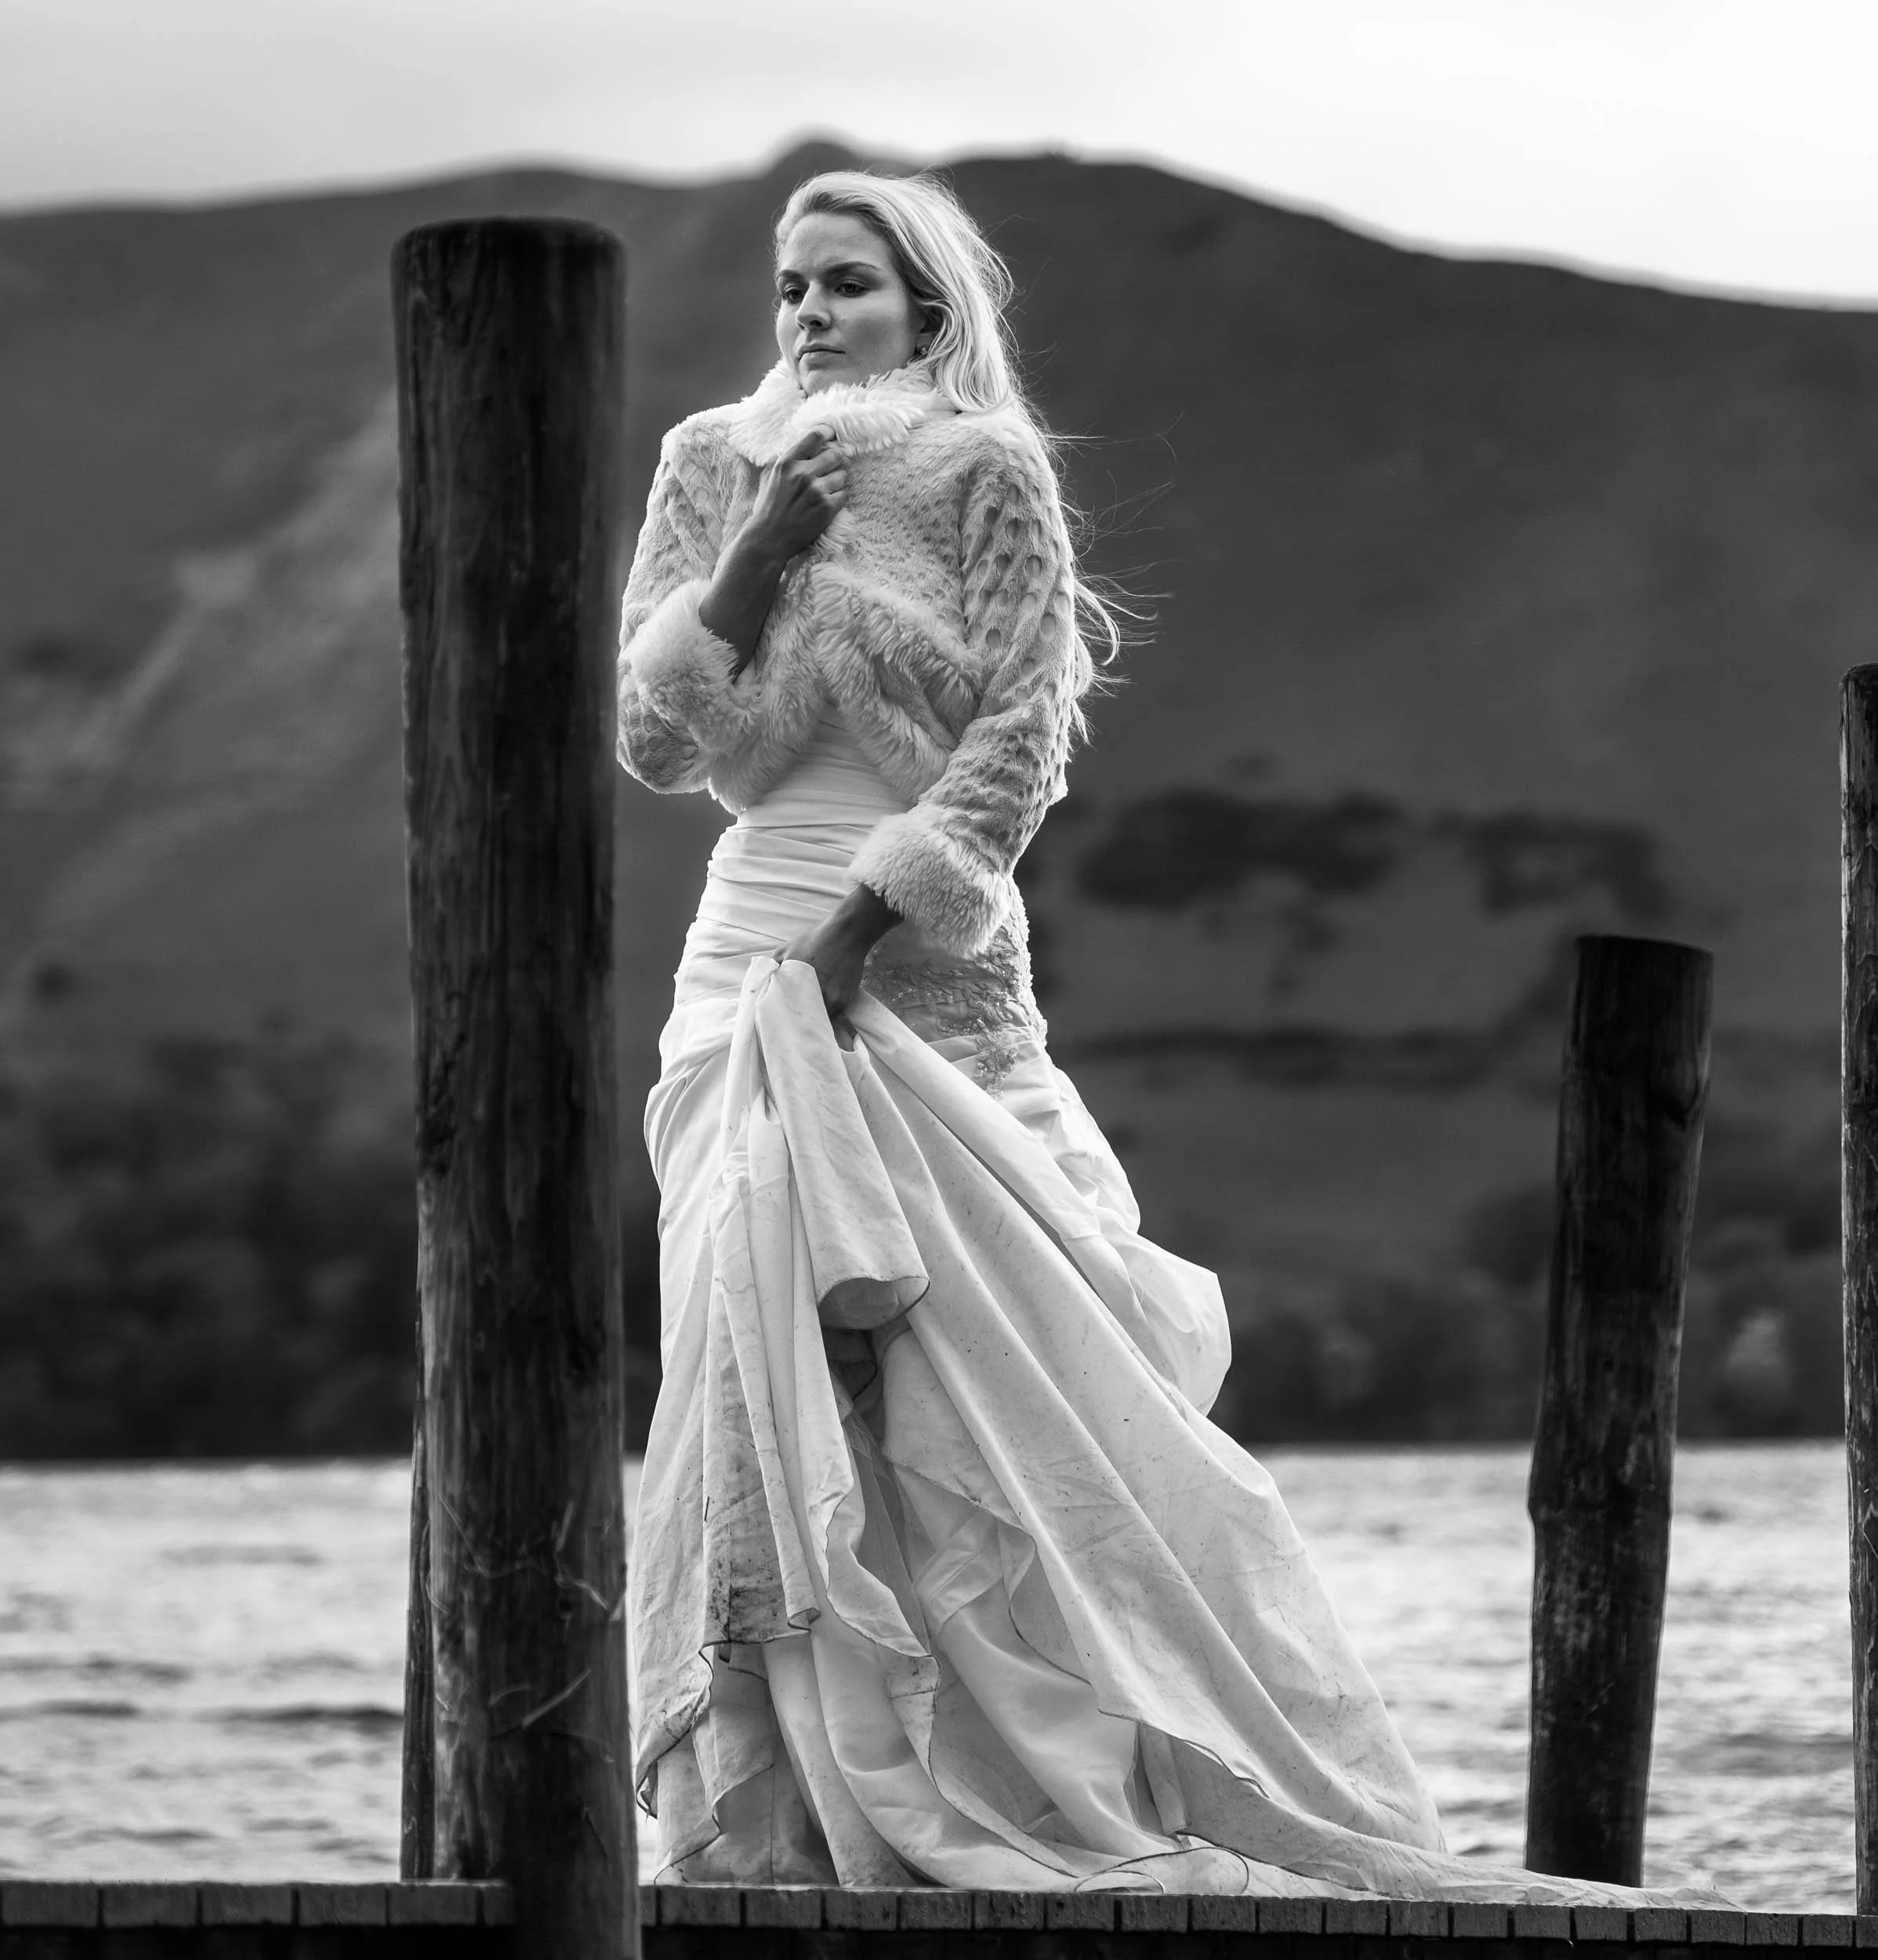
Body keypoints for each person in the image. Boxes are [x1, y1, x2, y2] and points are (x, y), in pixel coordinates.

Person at [616, 168, 1705, 1900]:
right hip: (740, 950)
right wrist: (755, 551)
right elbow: (661, 743)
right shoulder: (705, 463)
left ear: (926, 308)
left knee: (996, 1363)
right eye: (789, 286)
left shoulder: (988, 474)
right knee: (753, 1349)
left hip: (915, 957)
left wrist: (864, 928)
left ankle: (1039, 1783)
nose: (809, 316)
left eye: (847, 286)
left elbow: (1020, 742)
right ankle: (804, 1817)